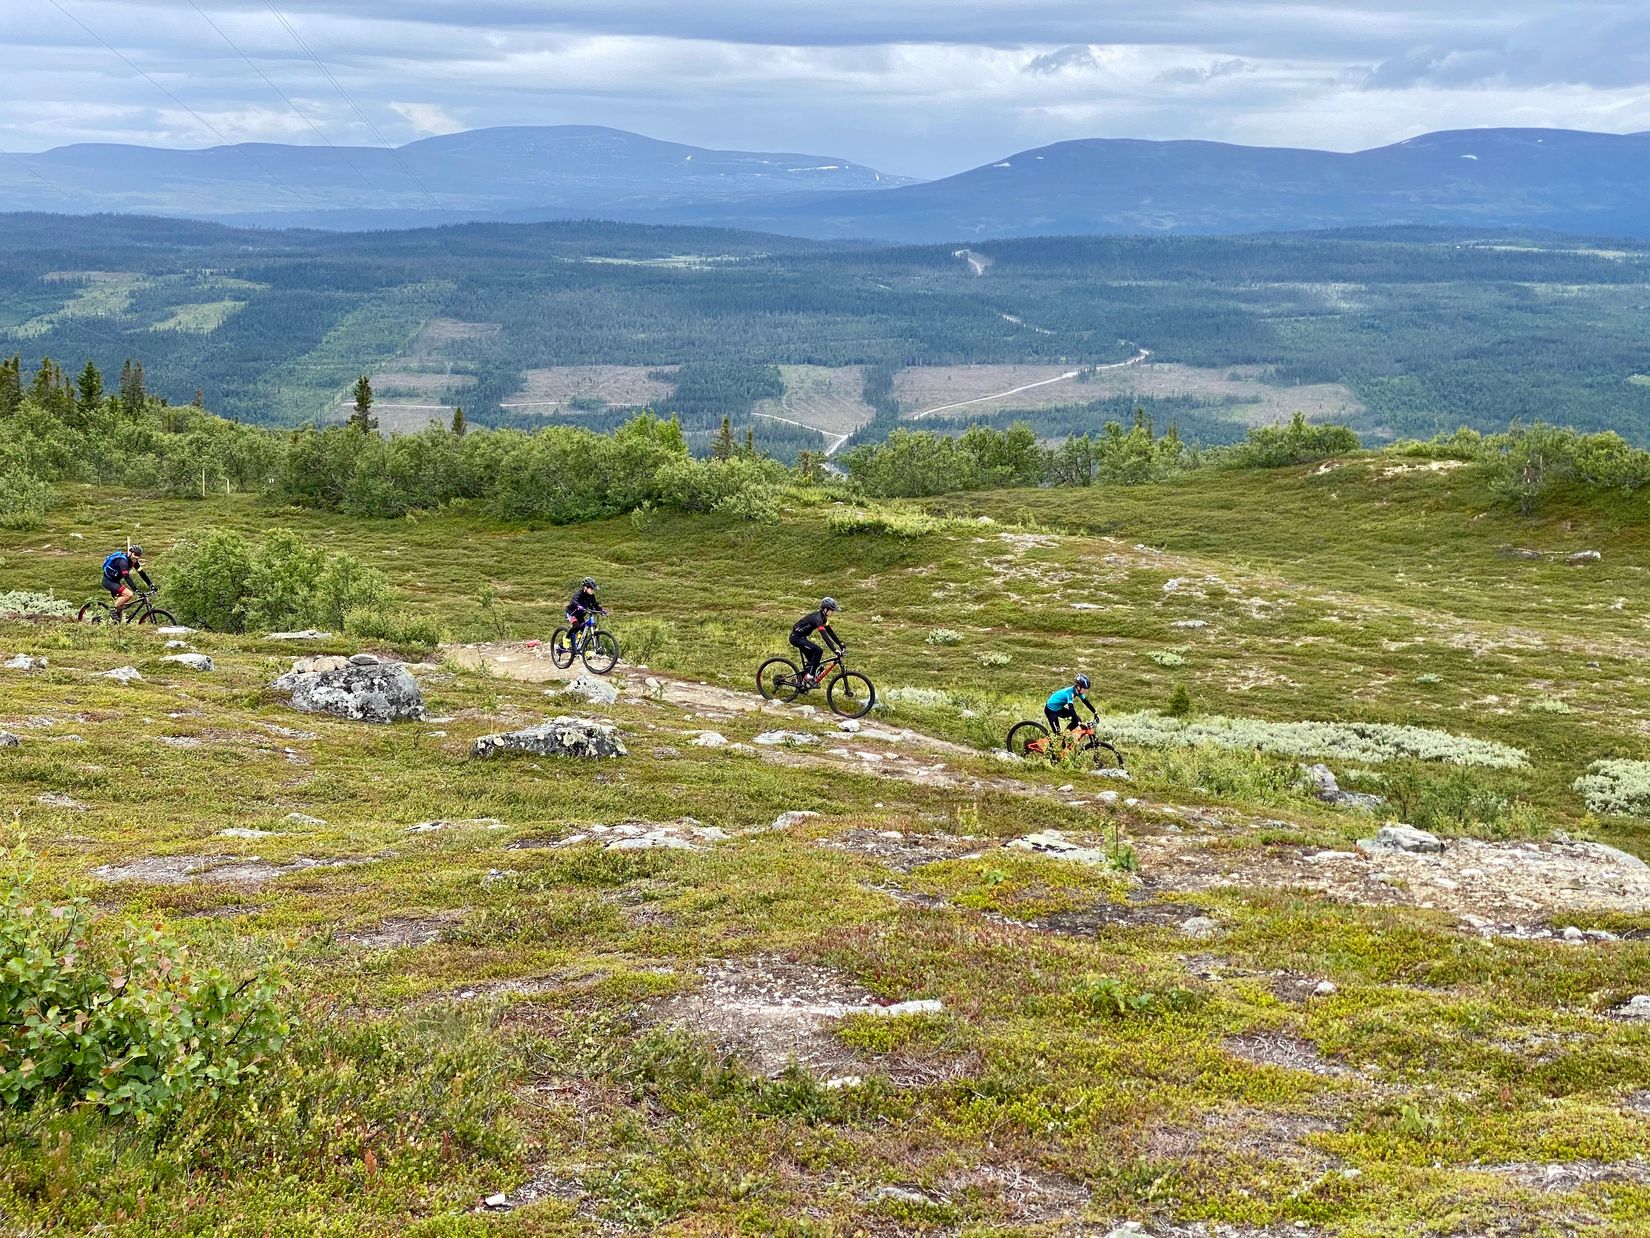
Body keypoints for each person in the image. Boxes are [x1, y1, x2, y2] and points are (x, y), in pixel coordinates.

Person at [790, 597, 842, 684]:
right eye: (832, 610)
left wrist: (840, 643)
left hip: (802, 637)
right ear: (825, 609)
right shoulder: (818, 618)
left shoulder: (823, 618)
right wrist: (834, 649)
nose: (833, 612)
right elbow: (824, 635)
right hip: (796, 638)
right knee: (818, 650)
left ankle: (797, 680)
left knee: (814, 663)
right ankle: (809, 677)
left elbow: (830, 631)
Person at [101, 544, 153, 620]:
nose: (137, 557)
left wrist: (151, 585)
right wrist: (135, 589)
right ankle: (112, 609)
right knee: (129, 594)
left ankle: (117, 626)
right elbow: (126, 577)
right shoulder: (123, 561)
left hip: (115, 581)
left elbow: (142, 573)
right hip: (108, 581)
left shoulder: (134, 562)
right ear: (130, 553)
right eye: (135, 554)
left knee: (120, 609)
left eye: (139, 555)